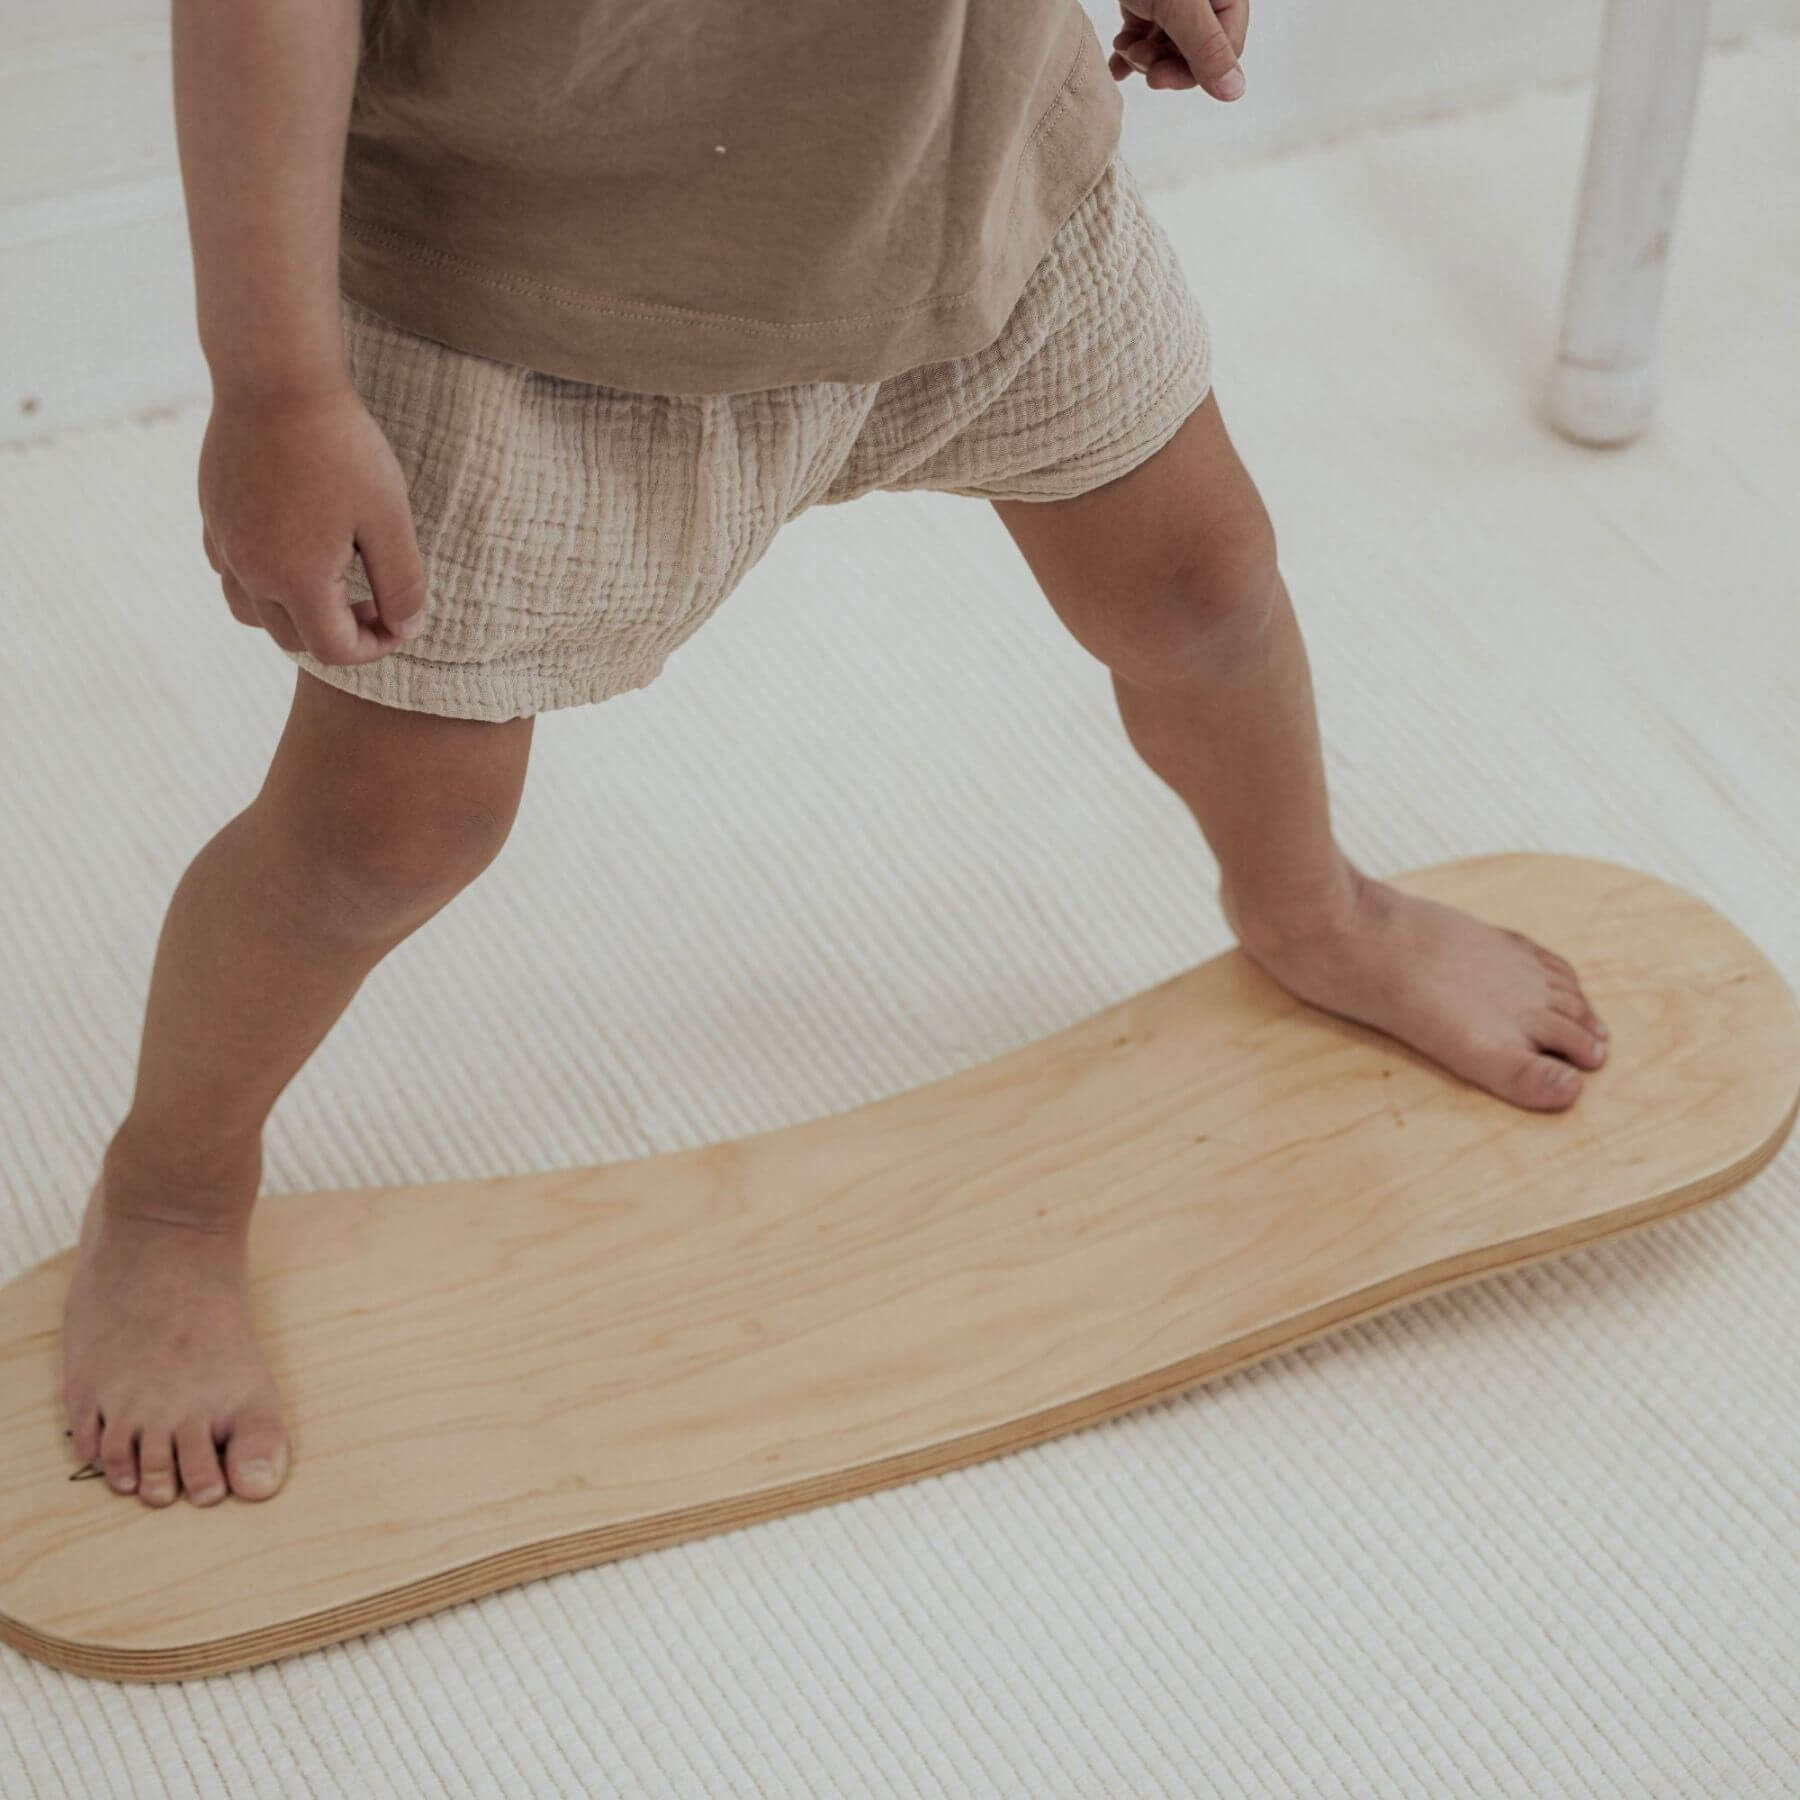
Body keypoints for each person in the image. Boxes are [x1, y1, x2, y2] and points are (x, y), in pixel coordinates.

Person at [62, 0, 1610, 1511]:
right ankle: (176, 1185)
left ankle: (1311, 908)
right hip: (538, 295)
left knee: (1204, 587)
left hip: (978, 189)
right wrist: (279, 389)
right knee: (388, 830)